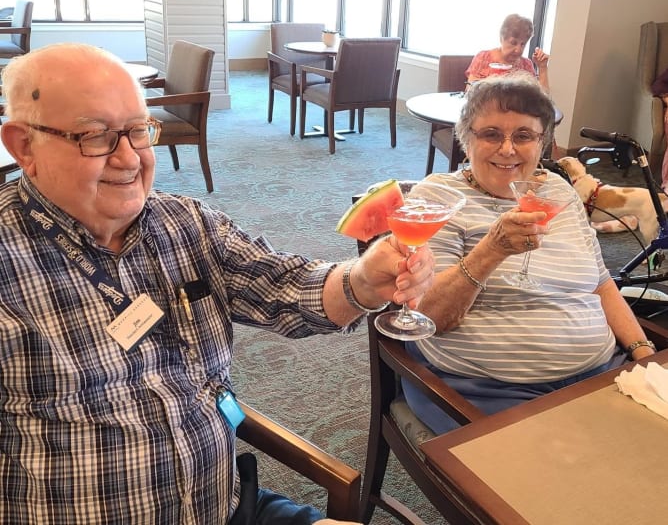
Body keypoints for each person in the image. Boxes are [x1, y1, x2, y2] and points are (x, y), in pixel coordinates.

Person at [0, 43, 435, 524]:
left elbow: (283, 286)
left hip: (223, 506)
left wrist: (362, 281)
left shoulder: (187, 223)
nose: (129, 160)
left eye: (139, 131)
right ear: (24, 147)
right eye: (95, 136)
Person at [401, 74, 656, 435]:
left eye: (523, 135)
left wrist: (645, 353)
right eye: (490, 134)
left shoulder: (558, 191)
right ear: (466, 138)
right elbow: (431, 316)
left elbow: (601, 284)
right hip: (487, 390)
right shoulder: (438, 196)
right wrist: (492, 250)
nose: (507, 149)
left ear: (542, 142)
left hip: (599, 374)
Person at [466, 13, 550, 91]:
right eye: (513, 43)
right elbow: (470, 92)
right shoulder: (483, 58)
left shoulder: (526, 65)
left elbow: (541, 100)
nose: (518, 50)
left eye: (523, 44)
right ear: (501, 38)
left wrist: (542, 68)